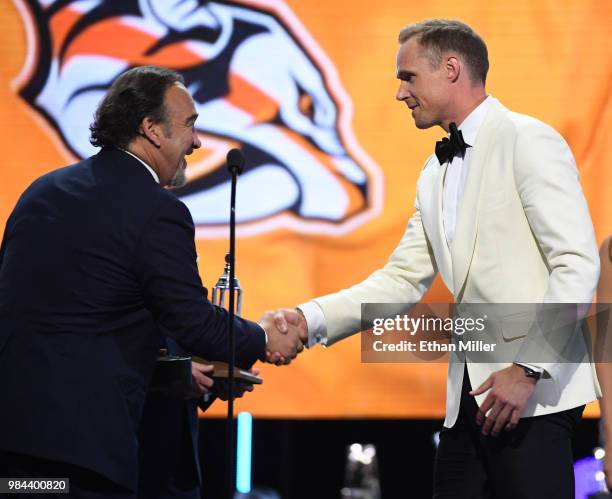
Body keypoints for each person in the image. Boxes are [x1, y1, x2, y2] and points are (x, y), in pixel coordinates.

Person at [272, 19, 600, 498]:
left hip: (532, 398)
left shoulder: (529, 140)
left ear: (451, 69)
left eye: (407, 77)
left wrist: (527, 367)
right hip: (467, 401)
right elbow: (401, 281)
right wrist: (307, 320)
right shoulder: (434, 171)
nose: (400, 93)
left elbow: (577, 263)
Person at [0, 65, 302, 498]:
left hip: (16, 453)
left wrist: (170, 372)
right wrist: (263, 338)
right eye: (190, 125)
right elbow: (194, 321)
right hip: (86, 457)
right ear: (151, 129)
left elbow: (70, 321)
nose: (197, 142)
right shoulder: (156, 209)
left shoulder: (41, 192)